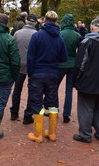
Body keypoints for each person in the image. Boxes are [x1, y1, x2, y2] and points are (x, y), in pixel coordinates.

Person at [27, 11, 67, 143]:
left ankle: (38, 135)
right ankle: (52, 133)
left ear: (44, 20)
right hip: (52, 73)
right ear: (56, 21)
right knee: (52, 102)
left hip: (37, 73)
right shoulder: (59, 38)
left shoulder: (37, 36)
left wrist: (30, 73)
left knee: (36, 101)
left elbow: (31, 57)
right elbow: (63, 58)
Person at [10, 14, 38, 124]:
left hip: (18, 64)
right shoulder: (37, 35)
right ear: (35, 23)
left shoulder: (17, 33)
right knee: (32, 90)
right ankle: (28, 115)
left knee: (17, 89)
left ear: (26, 22)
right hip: (32, 65)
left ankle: (14, 112)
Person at [57, 14, 82, 123]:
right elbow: (80, 50)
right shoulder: (77, 35)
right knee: (69, 90)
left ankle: (54, 110)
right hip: (72, 64)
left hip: (60, 64)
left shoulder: (59, 34)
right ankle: (66, 114)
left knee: (54, 88)